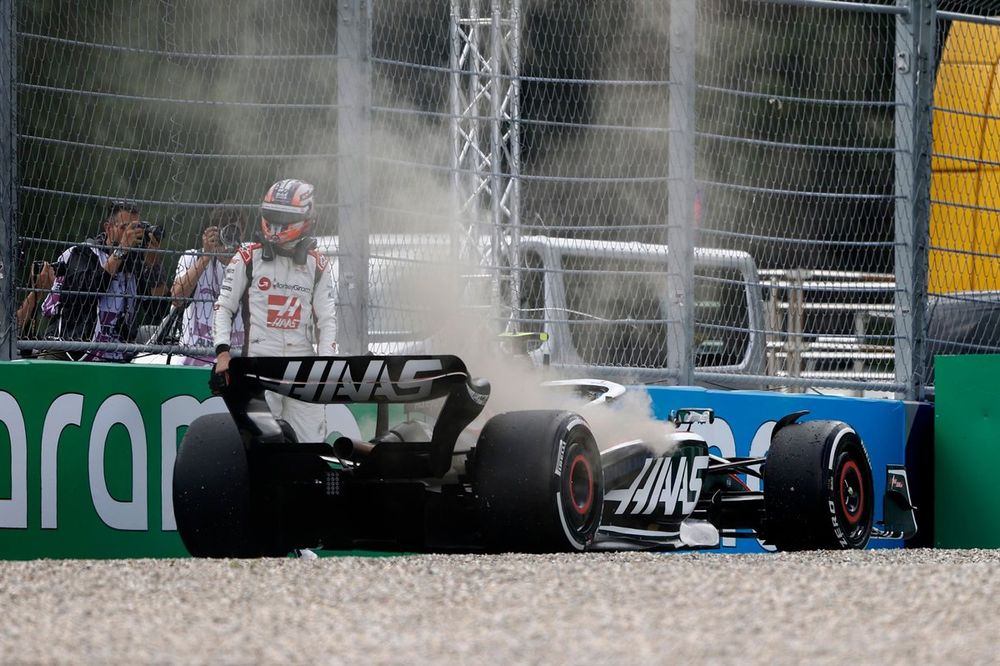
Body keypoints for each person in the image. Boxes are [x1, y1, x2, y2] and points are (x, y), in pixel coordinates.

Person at [211, 179, 337, 443]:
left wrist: (327, 366)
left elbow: (327, 322)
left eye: (285, 217)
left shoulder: (319, 265)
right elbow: (223, 307)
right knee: (263, 451)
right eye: (272, 216)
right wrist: (222, 353)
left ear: (307, 219)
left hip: (305, 370)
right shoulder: (246, 258)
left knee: (312, 448)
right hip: (259, 366)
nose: (277, 224)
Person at [40, 199, 168, 362]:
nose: (131, 234)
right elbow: (85, 291)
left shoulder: (135, 263)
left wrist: (154, 265)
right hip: (71, 352)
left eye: (136, 228)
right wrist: (121, 250)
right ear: (108, 228)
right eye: (125, 228)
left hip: (116, 355)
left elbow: (158, 310)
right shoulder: (83, 253)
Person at [170, 208, 246, 365]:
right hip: (195, 354)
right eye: (224, 229)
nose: (229, 236)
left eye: (234, 230)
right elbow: (176, 298)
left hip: (236, 355)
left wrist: (237, 262)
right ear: (212, 232)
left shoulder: (250, 261)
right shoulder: (192, 257)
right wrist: (206, 256)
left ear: (243, 234)